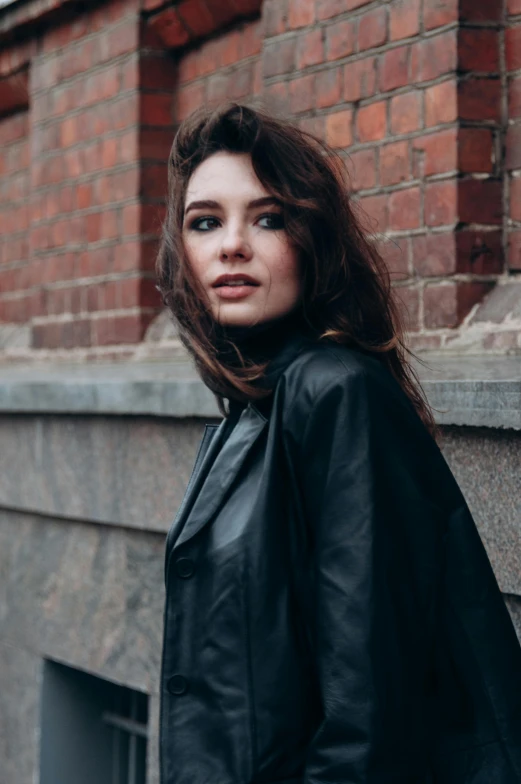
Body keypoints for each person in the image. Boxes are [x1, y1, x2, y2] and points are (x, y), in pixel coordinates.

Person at [155, 102, 521, 784]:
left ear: (311, 240)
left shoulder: (335, 394)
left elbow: (368, 698)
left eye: (267, 218)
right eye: (204, 221)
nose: (231, 244)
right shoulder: (254, 406)